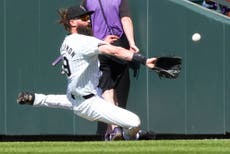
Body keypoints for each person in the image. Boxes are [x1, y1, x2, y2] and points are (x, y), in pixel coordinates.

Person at [17, 5, 156, 141]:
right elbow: (116, 51)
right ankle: (129, 136)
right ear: (72, 22)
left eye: (88, 17)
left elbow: (83, 52)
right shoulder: (85, 42)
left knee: (55, 100)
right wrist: (144, 60)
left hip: (74, 97)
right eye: (83, 18)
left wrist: (102, 43)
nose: (88, 20)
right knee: (134, 122)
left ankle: (33, 98)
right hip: (89, 102)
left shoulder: (66, 42)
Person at [81, 0, 139, 139]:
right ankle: (115, 129)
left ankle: (113, 129)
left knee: (107, 90)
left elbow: (84, 25)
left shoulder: (87, 1)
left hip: (99, 47)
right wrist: (131, 43)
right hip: (117, 46)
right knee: (114, 91)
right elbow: (126, 19)